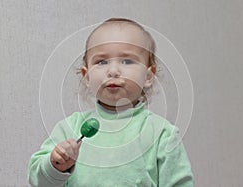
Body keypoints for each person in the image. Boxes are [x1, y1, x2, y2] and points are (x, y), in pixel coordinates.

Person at [28, 18, 193, 187]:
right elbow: (38, 181)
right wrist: (55, 165)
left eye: (127, 61)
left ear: (149, 76)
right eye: (101, 62)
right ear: (86, 75)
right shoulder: (70, 128)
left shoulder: (163, 134)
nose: (113, 71)